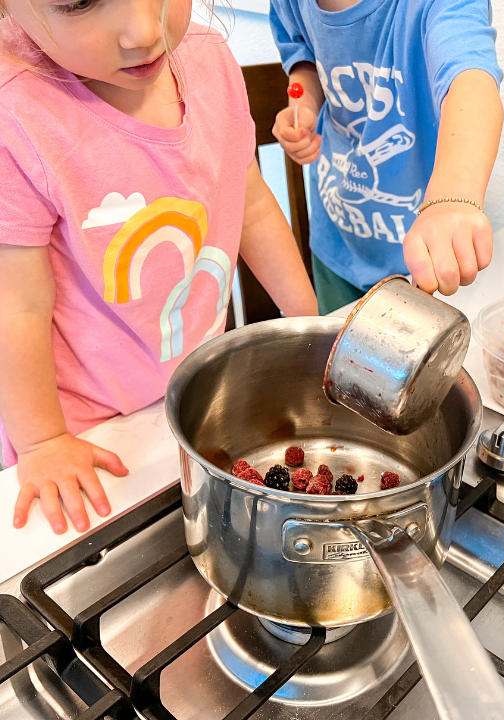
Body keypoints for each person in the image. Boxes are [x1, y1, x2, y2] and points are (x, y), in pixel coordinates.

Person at [0, 0, 318, 534]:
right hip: (81, 428)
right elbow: (16, 307)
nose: (145, 31)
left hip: (192, 396)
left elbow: (252, 204)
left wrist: (307, 324)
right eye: (80, 3)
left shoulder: (211, 59)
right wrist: (43, 441)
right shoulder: (18, 115)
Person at [270, 0, 504, 315]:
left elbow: (470, 81)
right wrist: (305, 106)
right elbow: (305, 59)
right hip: (337, 239)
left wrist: (452, 198)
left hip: (421, 256)